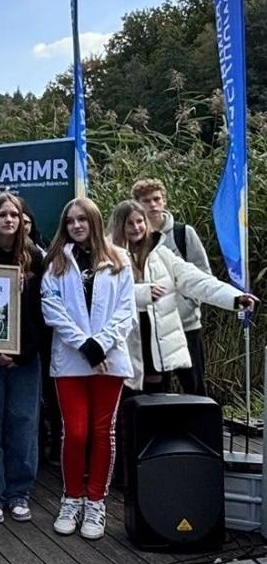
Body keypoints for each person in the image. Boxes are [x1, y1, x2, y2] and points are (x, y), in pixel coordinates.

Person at [40, 197, 136, 540]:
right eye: (70, 221)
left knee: (101, 432)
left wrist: (101, 343)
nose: (76, 226)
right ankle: (72, 498)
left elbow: (126, 311)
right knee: (75, 432)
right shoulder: (56, 263)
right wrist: (85, 344)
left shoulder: (118, 259)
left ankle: (96, 501)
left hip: (108, 361)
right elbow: (52, 310)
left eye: (82, 220)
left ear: (94, 222)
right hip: (71, 360)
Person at [108, 200, 255, 393]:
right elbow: (107, 293)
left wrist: (234, 298)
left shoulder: (161, 254)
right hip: (124, 344)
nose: (136, 228)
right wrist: (143, 292)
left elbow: (196, 280)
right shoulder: (107, 256)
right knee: (126, 406)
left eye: (140, 221)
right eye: (130, 223)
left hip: (157, 345)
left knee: (156, 402)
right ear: (120, 226)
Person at [0, 193, 46, 523]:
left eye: (14, 215)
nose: (8, 220)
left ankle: (19, 491)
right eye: (2, 215)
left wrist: (21, 352)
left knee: (23, 422)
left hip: (25, 358)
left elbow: (42, 314)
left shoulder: (34, 257)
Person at [131, 178, 216, 395]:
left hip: (186, 324)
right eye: (146, 201)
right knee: (159, 388)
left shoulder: (183, 233)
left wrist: (189, 304)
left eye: (156, 199)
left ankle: (199, 426)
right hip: (153, 326)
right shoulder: (135, 236)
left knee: (194, 384)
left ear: (165, 201)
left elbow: (201, 273)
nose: (153, 205)